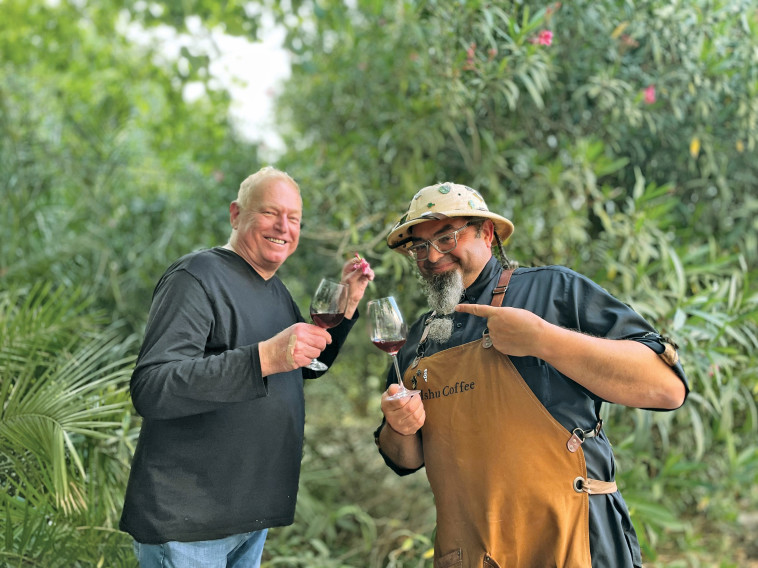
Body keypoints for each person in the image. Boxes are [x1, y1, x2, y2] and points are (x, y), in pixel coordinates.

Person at [374, 182, 688, 568]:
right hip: (470, 556)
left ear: (486, 234)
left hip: (575, 544)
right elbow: (405, 460)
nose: (432, 255)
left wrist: (544, 339)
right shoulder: (418, 339)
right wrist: (399, 427)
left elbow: (667, 387)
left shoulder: (552, 290)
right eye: (419, 246)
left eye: (446, 237)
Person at [120, 166, 374, 567]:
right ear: (236, 214)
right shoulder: (196, 276)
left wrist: (344, 310)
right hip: (191, 523)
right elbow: (153, 387)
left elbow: (304, 367)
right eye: (270, 213)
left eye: (294, 219)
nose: (283, 227)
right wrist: (264, 357)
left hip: (247, 518)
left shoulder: (277, 291)